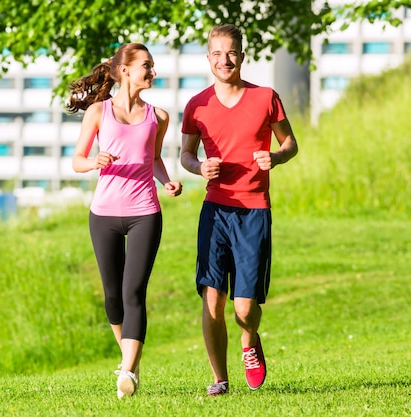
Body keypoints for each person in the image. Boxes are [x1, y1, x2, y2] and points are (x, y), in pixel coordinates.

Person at [180, 24, 298, 396]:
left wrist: (276, 157)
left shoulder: (266, 97)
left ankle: (249, 341)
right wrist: (199, 167)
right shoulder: (196, 105)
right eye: (217, 53)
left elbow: (291, 143)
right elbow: (185, 154)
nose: (224, 59)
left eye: (231, 52)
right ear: (209, 58)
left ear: (242, 56)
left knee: (244, 308)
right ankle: (219, 378)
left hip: (254, 211)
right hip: (215, 210)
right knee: (211, 297)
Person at [68, 43, 182, 399]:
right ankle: (129, 357)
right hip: (103, 215)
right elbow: (77, 160)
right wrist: (95, 162)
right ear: (125, 71)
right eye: (147, 66)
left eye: (152, 66)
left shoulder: (158, 117)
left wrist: (167, 181)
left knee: (134, 291)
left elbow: (155, 157)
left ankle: (128, 371)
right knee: (113, 297)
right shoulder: (99, 112)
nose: (153, 72)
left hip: (145, 213)